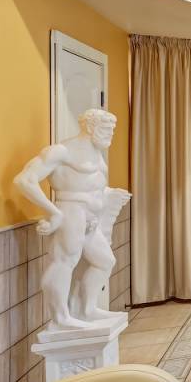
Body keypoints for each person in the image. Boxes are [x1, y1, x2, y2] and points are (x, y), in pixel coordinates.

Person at [14, 108, 128, 330]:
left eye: (112, 130)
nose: (111, 134)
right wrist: (54, 212)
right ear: (91, 127)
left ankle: (87, 309)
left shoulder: (96, 153)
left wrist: (111, 195)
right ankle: (60, 317)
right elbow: (24, 180)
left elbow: (90, 186)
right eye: (107, 129)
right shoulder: (61, 151)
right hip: (71, 212)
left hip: (91, 220)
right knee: (64, 262)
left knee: (105, 261)